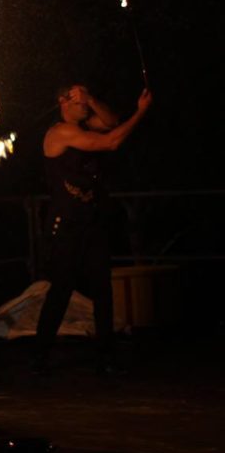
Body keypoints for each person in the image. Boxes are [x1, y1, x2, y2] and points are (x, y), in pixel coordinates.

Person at [32, 84, 153, 374]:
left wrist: (92, 98)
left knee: (102, 289)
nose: (84, 102)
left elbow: (111, 122)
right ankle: (39, 357)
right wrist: (142, 112)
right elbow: (112, 141)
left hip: (92, 221)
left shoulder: (86, 123)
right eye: (78, 96)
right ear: (63, 101)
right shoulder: (60, 132)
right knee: (61, 290)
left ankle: (106, 356)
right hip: (66, 225)